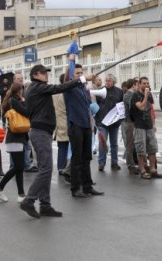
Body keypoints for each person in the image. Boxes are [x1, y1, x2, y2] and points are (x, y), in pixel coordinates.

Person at [19, 64, 90, 219]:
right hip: (40, 132)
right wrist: (82, 79)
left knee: (46, 169)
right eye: (44, 73)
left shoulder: (37, 87)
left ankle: (45, 205)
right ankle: (29, 200)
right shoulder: (36, 87)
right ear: (35, 74)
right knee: (45, 170)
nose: (47, 75)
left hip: (42, 132)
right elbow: (59, 88)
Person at [64, 64, 103, 197]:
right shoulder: (69, 87)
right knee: (77, 158)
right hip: (75, 126)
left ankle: (87, 186)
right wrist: (83, 77)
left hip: (86, 126)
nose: (80, 74)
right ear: (71, 76)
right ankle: (75, 188)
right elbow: (68, 81)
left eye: (81, 72)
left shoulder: (84, 89)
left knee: (87, 158)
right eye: (77, 73)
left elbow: (89, 108)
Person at [0, 83, 28, 203]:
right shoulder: (14, 101)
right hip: (14, 137)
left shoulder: (11, 100)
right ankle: (0, 187)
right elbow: (26, 112)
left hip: (18, 137)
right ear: (19, 91)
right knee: (19, 166)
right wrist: (24, 101)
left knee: (19, 167)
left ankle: (21, 194)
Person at [130, 77, 162, 179]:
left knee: (152, 148)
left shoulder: (149, 95)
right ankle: (143, 170)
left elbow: (150, 109)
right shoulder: (135, 95)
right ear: (139, 84)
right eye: (144, 83)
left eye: (147, 83)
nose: (146, 85)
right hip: (139, 125)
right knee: (141, 149)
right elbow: (141, 107)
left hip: (148, 125)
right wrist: (145, 96)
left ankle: (153, 169)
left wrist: (153, 124)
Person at [95, 73, 123, 171]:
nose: (107, 82)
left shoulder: (119, 92)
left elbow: (121, 107)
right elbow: (95, 105)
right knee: (103, 142)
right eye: (106, 80)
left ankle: (114, 163)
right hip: (102, 122)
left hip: (114, 123)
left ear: (113, 82)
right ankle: (101, 163)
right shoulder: (100, 91)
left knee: (114, 144)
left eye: (109, 81)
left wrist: (120, 119)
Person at [122, 78, 140, 175]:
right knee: (130, 146)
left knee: (134, 145)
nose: (138, 87)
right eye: (137, 85)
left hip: (134, 122)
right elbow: (134, 107)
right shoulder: (128, 95)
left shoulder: (133, 95)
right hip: (129, 122)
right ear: (133, 85)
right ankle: (131, 166)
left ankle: (134, 165)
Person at [53, 74, 69, 177]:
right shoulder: (67, 93)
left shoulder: (55, 93)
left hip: (59, 123)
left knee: (62, 147)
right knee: (69, 148)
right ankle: (66, 168)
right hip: (67, 122)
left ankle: (60, 167)